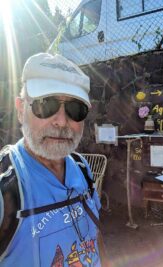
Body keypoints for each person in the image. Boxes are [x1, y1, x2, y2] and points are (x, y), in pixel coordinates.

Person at [0, 53, 106, 267]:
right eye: (45, 105)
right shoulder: (6, 185)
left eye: (75, 109)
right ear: (21, 110)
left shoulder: (81, 167)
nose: (61, 121)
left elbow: (94, 233)